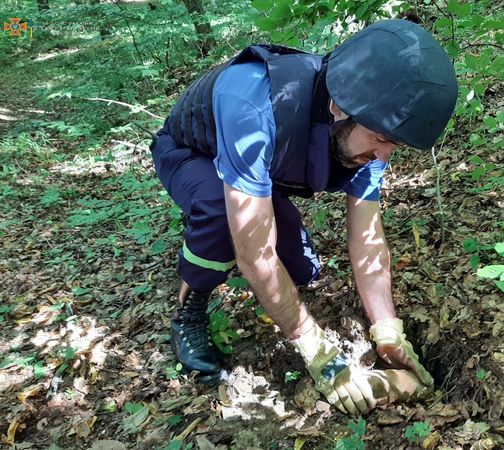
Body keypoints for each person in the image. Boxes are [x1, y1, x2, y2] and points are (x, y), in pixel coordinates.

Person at [150, 19, 458, 415]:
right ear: (339, 109)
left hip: (263, 168)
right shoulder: (253, 104)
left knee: (302, 269)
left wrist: (387, 327)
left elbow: (368, 238)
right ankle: (188, 308)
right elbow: (256, 255)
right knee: (220, 216)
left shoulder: (372, 121)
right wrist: (316, 350)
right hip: (191, 153)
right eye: (382, 141)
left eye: (394, 145)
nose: (385, 156)